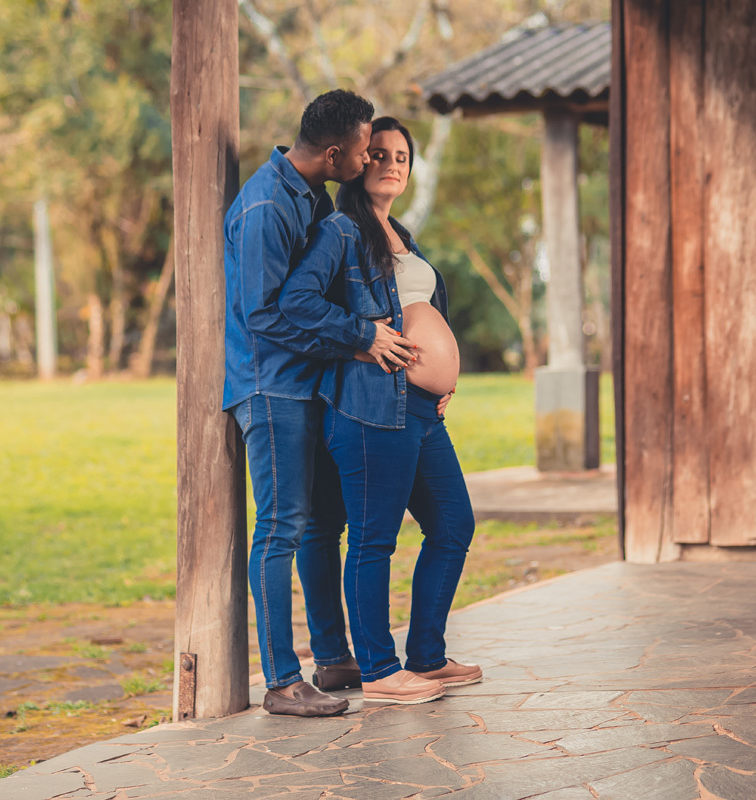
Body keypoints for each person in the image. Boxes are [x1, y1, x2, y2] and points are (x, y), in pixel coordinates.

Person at [223, 92, 417, 717]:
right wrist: (359, 338)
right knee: (280, 527)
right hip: (271, 386)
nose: (368, 162)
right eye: (363, 152)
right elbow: (265, 314)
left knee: (320, 526)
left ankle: (332, 659)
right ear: (334, 154)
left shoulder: (312, 197)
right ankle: (282, 682)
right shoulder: (266, 206)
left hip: (312, 384)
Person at [280, 117, 479, 706]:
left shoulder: (402, 235)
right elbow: (296, 300)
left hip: (422, 409)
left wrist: (446, 375)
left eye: (403, 156)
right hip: (370, 406)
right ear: (359, 161)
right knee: (374, 540)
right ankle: (379, 669)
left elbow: (425, 311)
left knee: (454, 524)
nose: (393, 164)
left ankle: (427, 656)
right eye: (381, 154)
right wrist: (363, 334)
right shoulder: (340, 231)